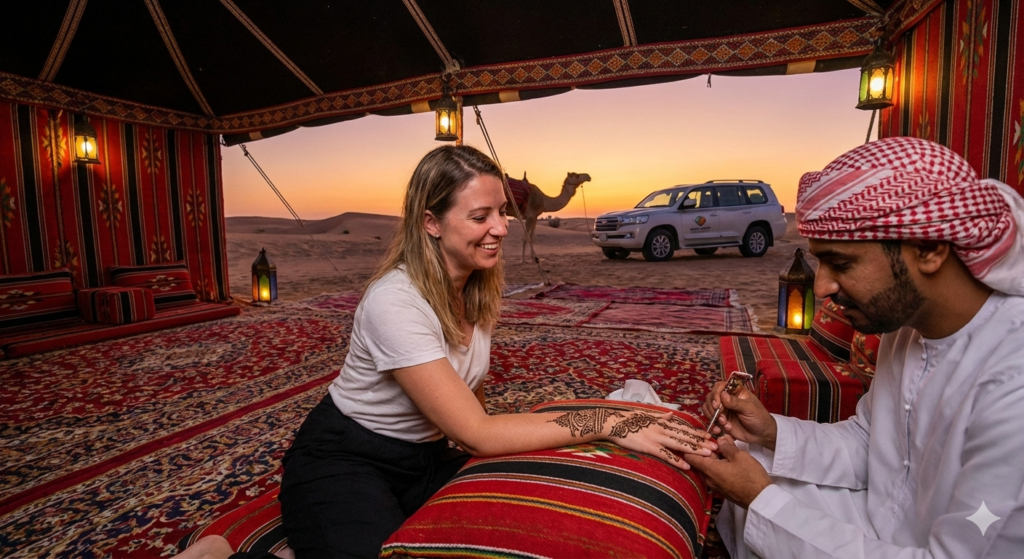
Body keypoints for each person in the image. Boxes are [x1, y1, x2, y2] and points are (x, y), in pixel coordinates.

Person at [176, 145, 716, 559]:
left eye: (501, 212)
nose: (501, 228)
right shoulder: (395, 301)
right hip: (349, 455)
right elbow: (478, 431)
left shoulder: (477, 284)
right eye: (481, 217)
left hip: (429, 456)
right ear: (431, 224)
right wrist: (610, 420)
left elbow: (466, 414)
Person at [686, 136, 1024, 558]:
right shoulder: (906, 326)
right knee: (746, 456)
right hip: (878, 519)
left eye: (841, 263)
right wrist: (771, 431)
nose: (823, 287)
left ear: (930, 249)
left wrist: (761, 500)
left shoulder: (1013, 384)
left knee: (756, 495)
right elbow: (872, 442)